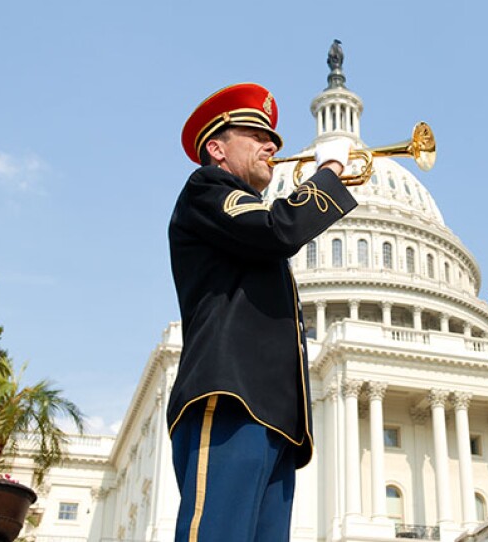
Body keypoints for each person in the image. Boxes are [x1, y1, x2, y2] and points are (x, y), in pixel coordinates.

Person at [167, 82, 358, 542]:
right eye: (255, 134)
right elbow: (278, 230)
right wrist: (328, 172)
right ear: (216, 148)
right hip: (231, 394)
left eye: (271, 137)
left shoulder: (243, 212)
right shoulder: (207, 189)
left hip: (276, 416)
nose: (271, 145)